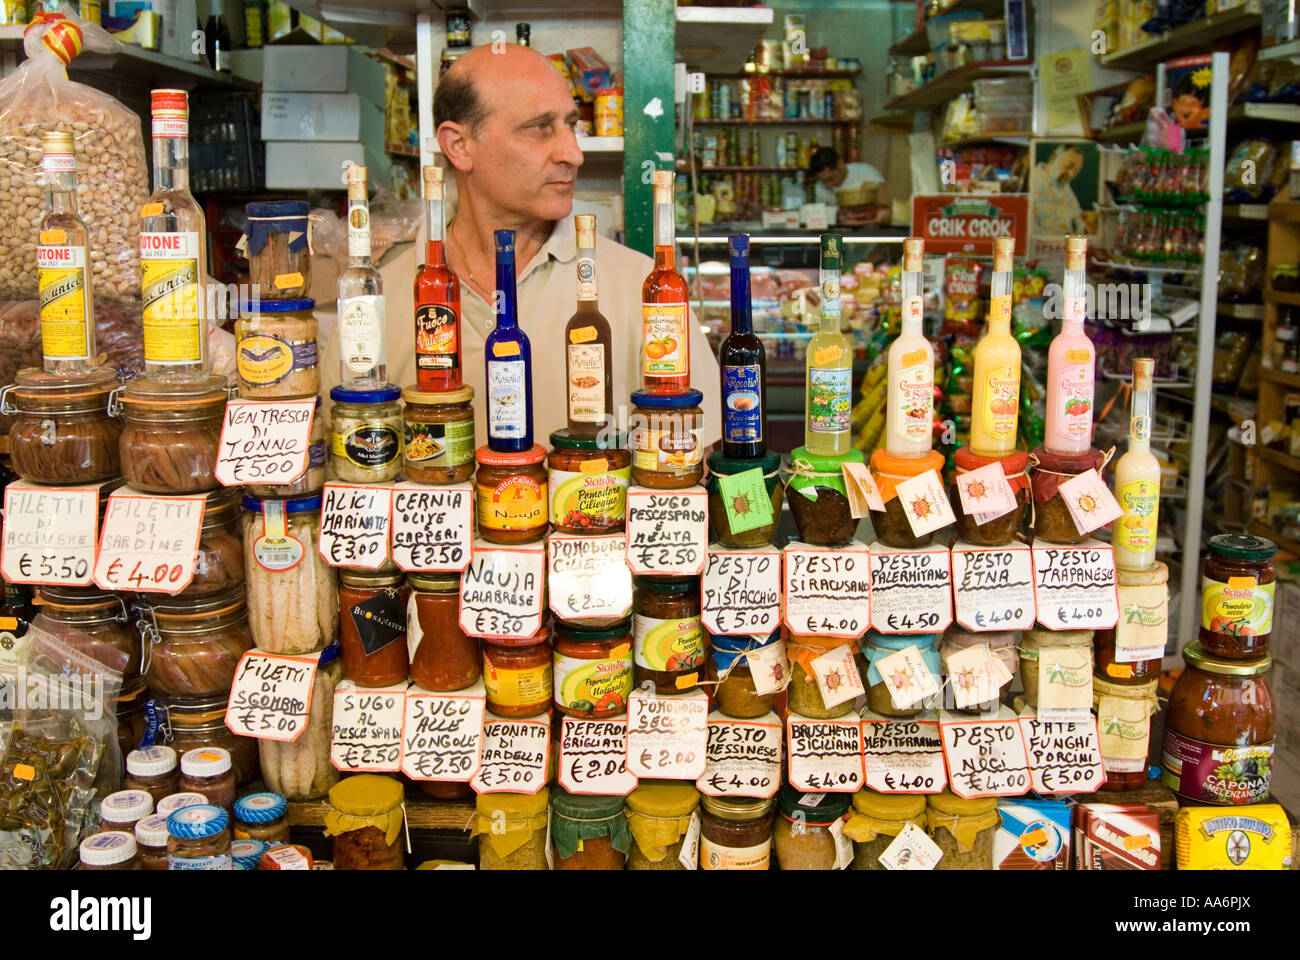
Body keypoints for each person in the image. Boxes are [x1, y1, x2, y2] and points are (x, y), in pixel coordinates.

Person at [323, 43, 721, 450]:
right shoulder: (373, 303)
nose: (573, 153)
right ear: (459, 145)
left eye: (571, 126)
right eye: (539, 127)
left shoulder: (644, 289)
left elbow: (697, 472)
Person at [807, 147, 891, 223]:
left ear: (841, 164)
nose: (829, 186)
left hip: (871, 232)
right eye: (823, 181)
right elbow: (819, 221)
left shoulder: (866, 172)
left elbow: (887, 210)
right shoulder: (819, 188)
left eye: (830, 178)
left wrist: (858, 222)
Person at [1030, 144, 1088, 237]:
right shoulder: (1031, 180)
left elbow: (1078, 222)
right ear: (1054, 158)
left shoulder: (1067, 190)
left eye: (1076, 171)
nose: (1071, 174)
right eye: (1069, 166)